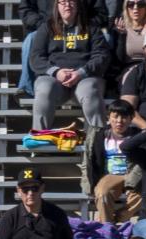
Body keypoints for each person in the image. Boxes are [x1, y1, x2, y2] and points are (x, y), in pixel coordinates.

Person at [31, 0, 110, 137]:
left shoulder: (91, 27)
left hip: (85, 78)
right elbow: (36, 57)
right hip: (54, 80)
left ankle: (97, 143)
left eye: (72, 2)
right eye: (63, 2)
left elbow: (101, 56)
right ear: (57, 6)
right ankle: (40, 138)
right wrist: (56, 72)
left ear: (78, 5)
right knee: (44, 89)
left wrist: (81, 72)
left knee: (90, 92)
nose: (67, 5)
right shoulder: (46, 28)